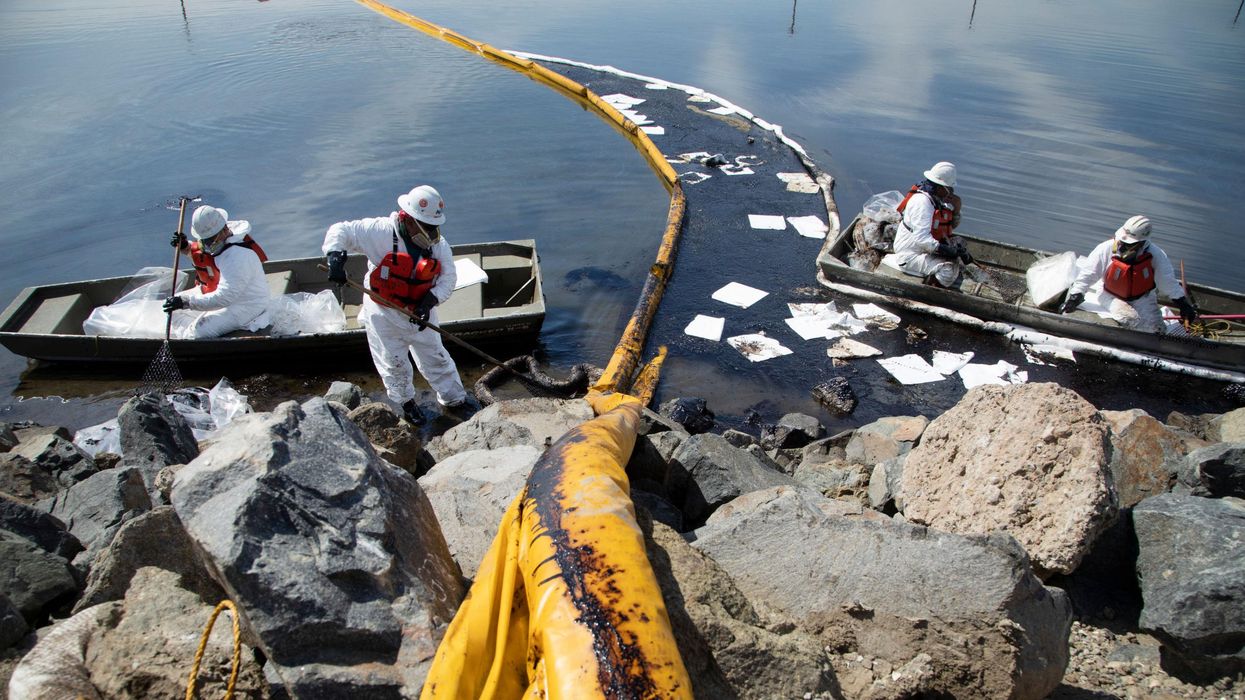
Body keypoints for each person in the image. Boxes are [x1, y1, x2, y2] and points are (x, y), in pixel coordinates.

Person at [322, 185, 470, 425]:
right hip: (384, 314)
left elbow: (448, 279)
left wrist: (430, 300)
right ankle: (407, 403)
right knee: (393, 362)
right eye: (426, 226)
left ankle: (455, 401)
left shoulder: (438, 246)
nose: (431, 232)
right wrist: (335, 257)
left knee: (437, 358)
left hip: (421, 313)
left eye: (434, 227)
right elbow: (342, 230)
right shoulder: (379, 232)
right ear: (408, 219)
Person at [1060, 215, 1198, 333]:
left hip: (1143, 298)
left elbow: (1167, 281)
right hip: (1109, 295)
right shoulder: (1106, 248)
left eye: (1130, 243)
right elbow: (1088, 273)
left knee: (1158, 330)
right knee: (1130, 318)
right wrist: (1076, 295)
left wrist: (1182, 304)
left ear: (1143, 242)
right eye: (1124, 241)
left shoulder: (1156, 254)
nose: (1125, 245)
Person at [163, 205, 271, 338]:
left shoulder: (238, 257)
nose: (207, 245)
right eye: (205, 240)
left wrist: (186, 302)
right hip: (218, 292)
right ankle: (195, 330)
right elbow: (203, 257)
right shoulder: (219, 243)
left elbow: (225, 296)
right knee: (172, 310)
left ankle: (195, 335)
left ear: (225, 229)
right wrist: (185, 246)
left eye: (210, 240)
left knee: (196, 333)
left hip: (245, 304)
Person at [892, 161, 972, 288]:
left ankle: (935, 271)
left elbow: (948, 228)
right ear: (941, 187)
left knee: (960, 242)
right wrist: (949, 251)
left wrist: (957, 209)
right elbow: (922, 239)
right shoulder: (922, 203)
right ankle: (929, 291)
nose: (951, 192)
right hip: (909, 254)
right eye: (949, 189)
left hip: (924, 247)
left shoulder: (936, 200)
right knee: (948, 270)